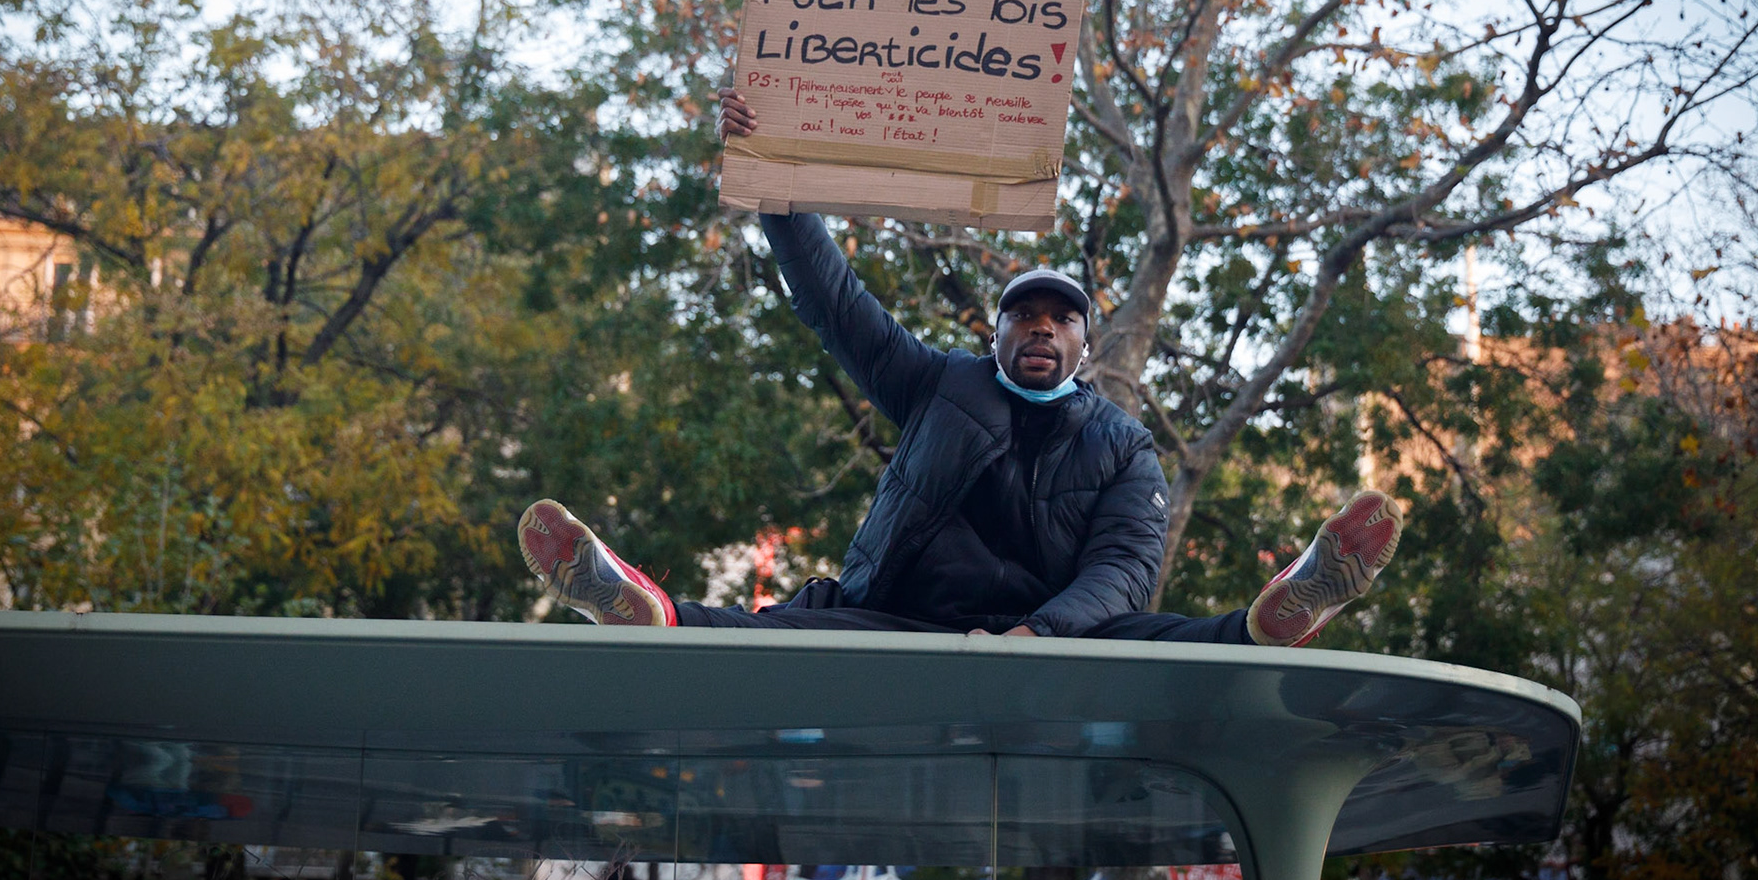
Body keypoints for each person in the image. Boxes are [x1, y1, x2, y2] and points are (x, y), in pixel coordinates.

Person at [514, 90, 1402, 647]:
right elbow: (833, 300)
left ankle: (1282, 610)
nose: (1042, 329)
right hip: (894, 617)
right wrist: (771, 177)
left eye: (1062, 319)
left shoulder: (1122, 445)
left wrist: (1037, 631)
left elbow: (1125, 568)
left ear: (1086, 349)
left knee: (1163, 637)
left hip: (1045, 632)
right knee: (767, 631)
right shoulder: (937, 384)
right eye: (1024, 315)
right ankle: (636, 602)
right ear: (997, 336)